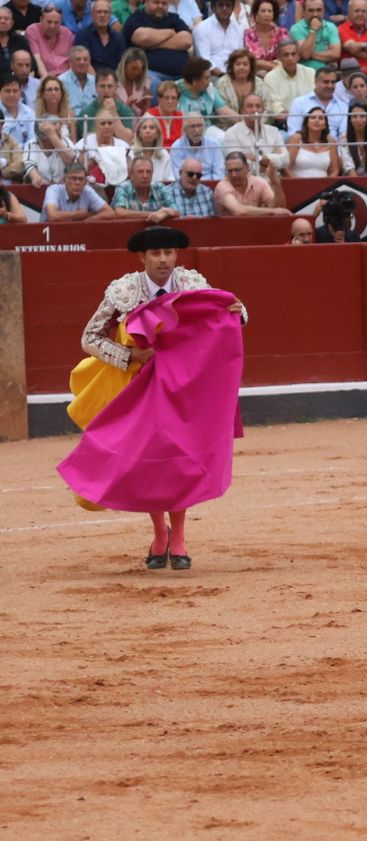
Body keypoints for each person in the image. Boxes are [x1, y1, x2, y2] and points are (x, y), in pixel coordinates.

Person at [73, 225, 247, 571]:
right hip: (141, 387)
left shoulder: (193, 284)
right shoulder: (125, 291)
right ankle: (160, 533)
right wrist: (128, 357)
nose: (164, 260)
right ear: (143, 257)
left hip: (184, 388)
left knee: (180, 459)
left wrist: (239, 313)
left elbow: (225, 317)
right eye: (156, 254)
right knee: (148, 461)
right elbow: (89, 337)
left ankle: (178, 537)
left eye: (169, 253)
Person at [215, 148, 293, 213]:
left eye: (237, 170)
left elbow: (279, 208)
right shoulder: (222, 186)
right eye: (230, 171)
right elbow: (239, 211)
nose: (233, 174)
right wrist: (271, 211)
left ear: (248, 168)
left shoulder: (258, 182)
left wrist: (276, 184)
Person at [111, 154, 179, 220]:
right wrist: (153, 214)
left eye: (148, 172)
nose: (145, 176)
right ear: (131, 174)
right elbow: (119, 212)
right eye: (140, 172)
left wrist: (165, 214)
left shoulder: (159, 187)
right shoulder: (123, 187)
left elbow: (176, 211)